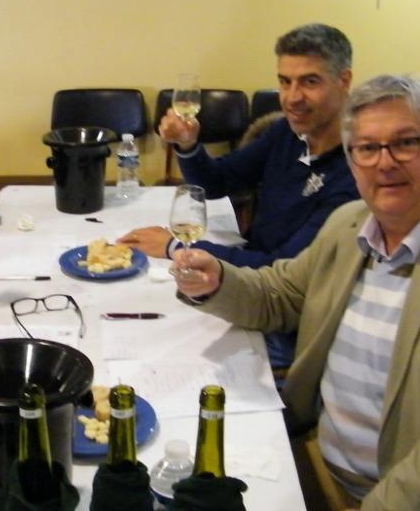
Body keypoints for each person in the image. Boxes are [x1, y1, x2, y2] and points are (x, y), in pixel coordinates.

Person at [171, 74, 420, 509]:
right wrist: (218, 281)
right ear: (352, 162)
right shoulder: (352, 222)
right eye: (367, 148)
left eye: (406, 142)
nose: (384, 162)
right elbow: (282, 294)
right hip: (323, 460)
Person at [118, 23, 360, 367]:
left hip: (294, 320)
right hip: (251, 275)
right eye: (284, 81)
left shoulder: (359, 171)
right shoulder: (288, 133)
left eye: (310, 81)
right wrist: (187, 145)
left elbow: (280, 269)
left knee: (171, 357)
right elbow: (217, 182)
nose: (292, 97)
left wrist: (177, 247)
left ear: (345, 80)